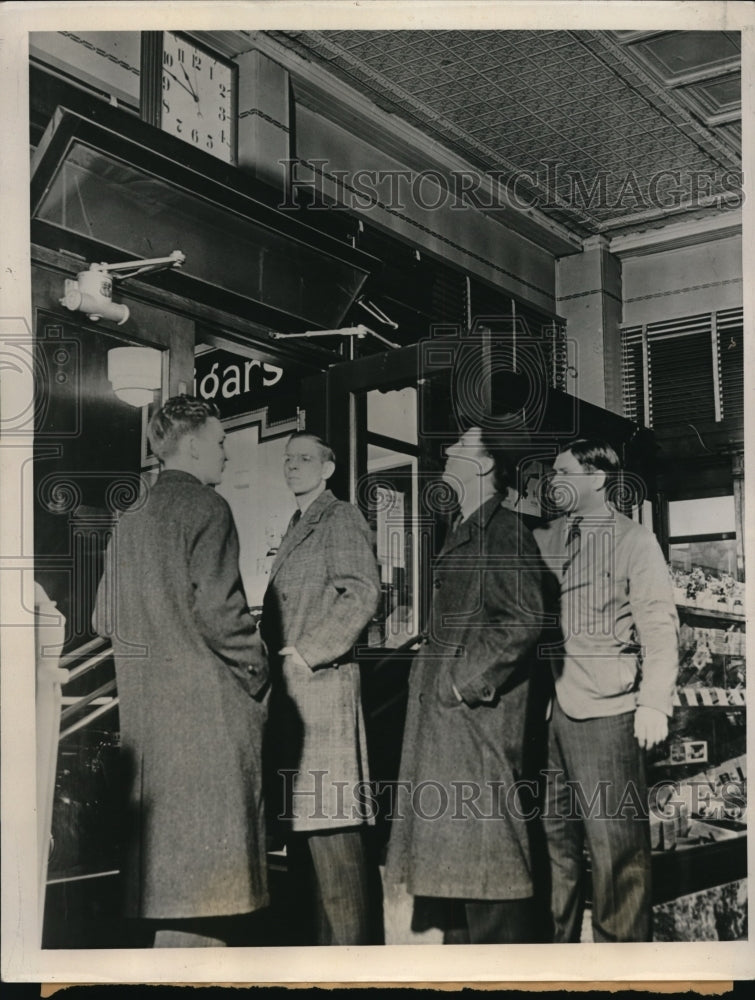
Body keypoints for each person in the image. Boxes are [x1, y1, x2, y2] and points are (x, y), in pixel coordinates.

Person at [93, 395, 269, 948]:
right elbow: (222, 616)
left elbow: (103, 616)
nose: (225, 455)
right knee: (213, 899)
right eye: (220, 443)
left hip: (150, 731)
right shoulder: (207, 508)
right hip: (209, 726)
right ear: (193, 446)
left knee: (176, 897)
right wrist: (259, 675)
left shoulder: (133, 515)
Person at [385, 425, 546, 944]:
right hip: (456, 732)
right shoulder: (470, 526)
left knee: (488, 880)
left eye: (456, 453)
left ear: (482, 466)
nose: (447, 460)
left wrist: (461, 683)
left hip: (475, 730)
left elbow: (523, 620)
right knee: (463, 883)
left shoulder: (502, 531)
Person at [533, 438, 679, 942]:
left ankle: (623, 972)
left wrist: (654, 702)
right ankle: (561, 962)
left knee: (617, 854)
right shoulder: (546, 538)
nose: (555, 482)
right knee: (556, 850)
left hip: (607, 714)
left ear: (596, 478)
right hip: (549, 714)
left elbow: (659, 628)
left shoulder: (634, 541)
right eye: (552, 473)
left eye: (564, 472)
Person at [261, 431, 381, 945]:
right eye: (288, 459)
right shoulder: (298, 524)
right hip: (300, 702)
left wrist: (308, 652)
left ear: (329, 469)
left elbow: (362, 592)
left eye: (305, 459)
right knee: (313, 849)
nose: (293, 466)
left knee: (334, 848)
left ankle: (355, 971)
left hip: (322, 694)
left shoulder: (340, 517)